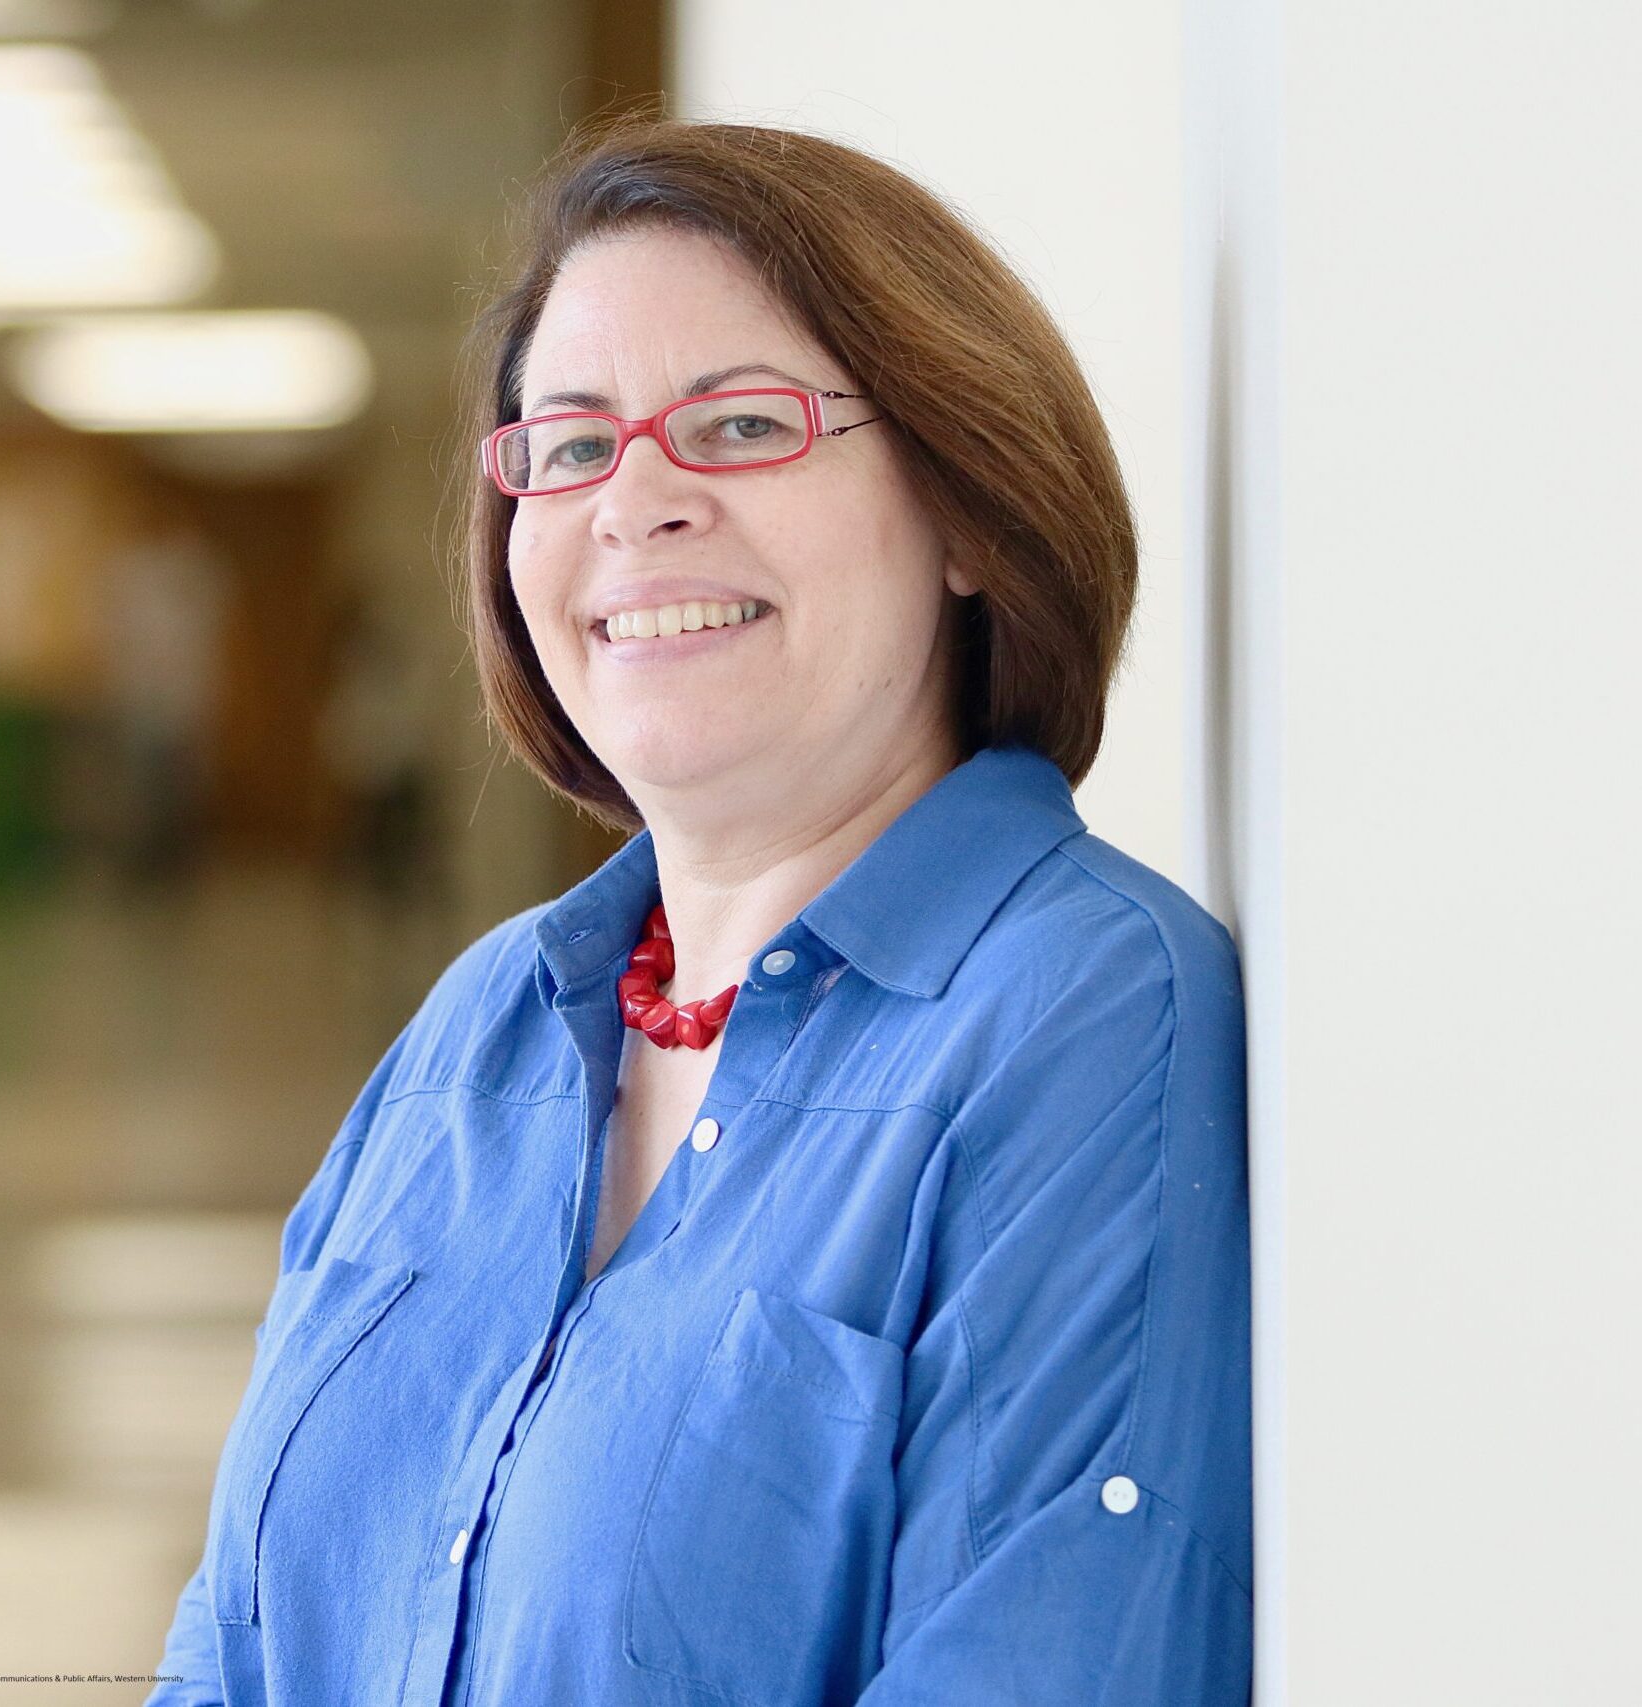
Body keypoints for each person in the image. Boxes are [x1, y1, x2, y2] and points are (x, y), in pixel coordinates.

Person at [150, 115, 1251, 1707]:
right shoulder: (486, 1022)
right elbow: (230, 1641)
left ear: (963, 505)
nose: (634, 500)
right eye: (574, 443)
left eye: (739, 426)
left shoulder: (1087, 1019)